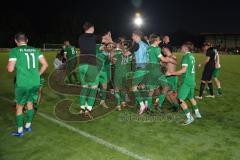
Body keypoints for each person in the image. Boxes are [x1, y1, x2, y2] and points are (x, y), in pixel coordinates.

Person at [7, 33, 48, 136]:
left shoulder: (14, 51)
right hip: (35, 82)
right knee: (30, 103)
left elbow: (10, 69)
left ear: (16, 41)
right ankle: (28, 126)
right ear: (27, 40)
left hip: (23, 83)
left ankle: (20, 131)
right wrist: (37, 75)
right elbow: (45, 65)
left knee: (19, 106)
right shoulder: (36, 50)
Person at [167, 42, 201, 125]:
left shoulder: (186, 57)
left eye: (182, 46)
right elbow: (191, 68)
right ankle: (197, 113)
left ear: (186, 48)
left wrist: (171, 73)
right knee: (191, 97)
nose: (181, 47)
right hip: (192, 80)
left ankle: (189, 117)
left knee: (179, 99)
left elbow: (183, 70)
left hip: (186, 81)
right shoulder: (192, 56)